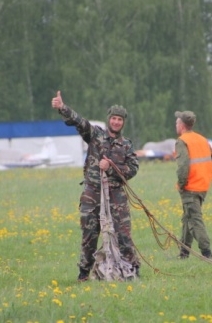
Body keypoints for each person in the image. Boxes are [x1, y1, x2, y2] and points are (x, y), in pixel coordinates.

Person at [51, 91, 140, 281]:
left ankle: (132, 270)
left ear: (123, 122)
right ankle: (84, 273)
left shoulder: (126, 145)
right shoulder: (95, 135)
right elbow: (79, 122)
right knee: (89, 236)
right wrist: (62, 108)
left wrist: (111, 168)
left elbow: (133, 169)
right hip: (92, 193)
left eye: (120, 119)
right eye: (114, 118)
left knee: (124, 235)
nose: (116, 122)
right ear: (109, 120)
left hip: (116, 194)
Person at [174, 110, 212, 259]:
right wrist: (207, 177)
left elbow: (183, 166)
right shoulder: (202, 139)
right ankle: (183, 253)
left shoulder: (182, 141)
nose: (176, 125)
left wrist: (181, 183)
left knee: (194, 220)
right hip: (202, 187)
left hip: (190, 187)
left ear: (181, 125)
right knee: (188, 217)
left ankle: (207, 254)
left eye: (177, 122)